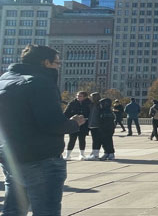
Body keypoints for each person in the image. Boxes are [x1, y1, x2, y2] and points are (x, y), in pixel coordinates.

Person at [0, 45, 87, 216]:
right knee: (46, 210)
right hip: (41, 158)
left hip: (11, 155)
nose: (58, 67)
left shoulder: (5, 79)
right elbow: (52, 123)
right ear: (45, 62)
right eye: (57, 63)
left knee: (13, 210)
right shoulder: (40, 82)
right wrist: (74, 123)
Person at [64, 91, 92, 160]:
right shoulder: (72, 103)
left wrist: (85, 119)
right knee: (72, 139)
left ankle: (82, 154)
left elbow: (91, 113)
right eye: (77, 96)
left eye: (80, 96)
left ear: (85, 97)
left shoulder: (89, 103)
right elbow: (66, 113)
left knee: (82, 139)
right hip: (73, 124)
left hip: (84, 124)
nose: (78, 97)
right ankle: (68, 155)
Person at [86, 92, 103, 160]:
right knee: (95, 140)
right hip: (93, 124)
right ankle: (94, 153)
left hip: (96, 124)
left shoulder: (98, 105)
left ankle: (95, 154)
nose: (90, 98)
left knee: (96, 140)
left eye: (91, 97)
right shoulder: (92, 104)